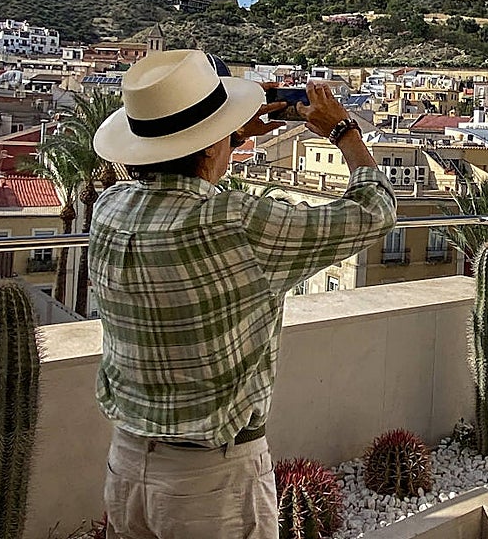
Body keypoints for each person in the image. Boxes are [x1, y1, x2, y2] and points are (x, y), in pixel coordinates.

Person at [88, 49, 396, 539]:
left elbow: (174, 190)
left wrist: (223, 135)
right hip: (211, 480)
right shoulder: (239, 223)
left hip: (127, 466)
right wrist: (346, 134)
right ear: (212, 147)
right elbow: (374, 212)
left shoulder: (110, 208)